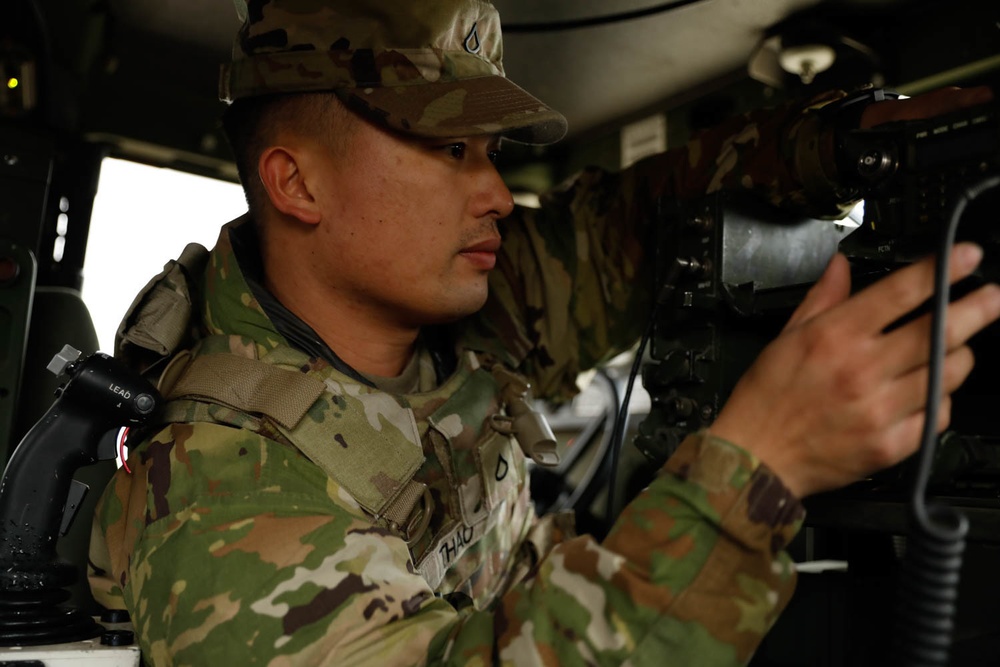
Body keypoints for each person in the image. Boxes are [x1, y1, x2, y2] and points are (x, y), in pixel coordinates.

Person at [87, 0, 999, 664]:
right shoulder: (221, 505)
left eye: (490, 154)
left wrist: (845, 145)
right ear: (297, 185)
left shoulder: (466, 308)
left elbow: (634, 222)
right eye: (451, 150)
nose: (494, 194)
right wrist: (758, 469)